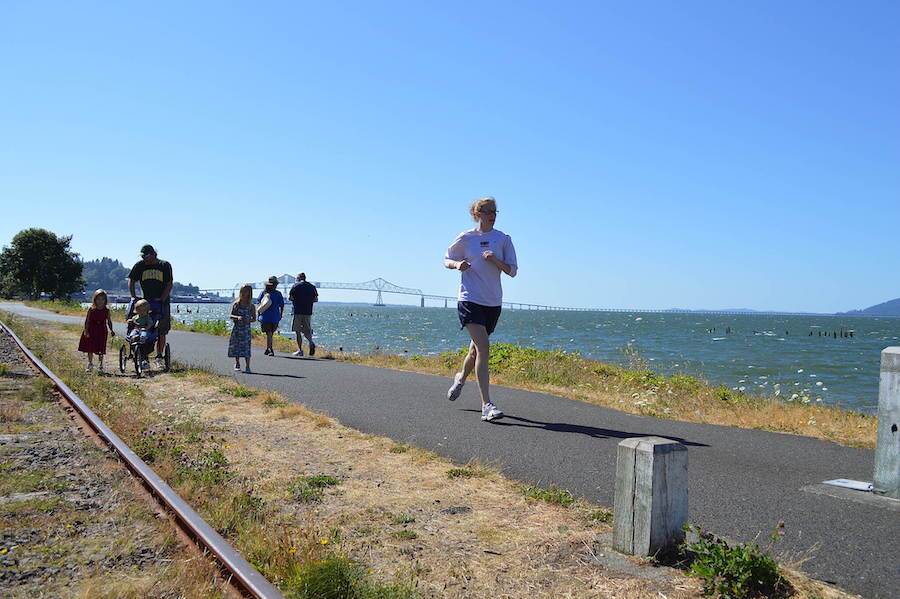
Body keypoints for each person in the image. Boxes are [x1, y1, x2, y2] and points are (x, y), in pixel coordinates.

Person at [443, 197, 518, 421]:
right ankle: (487, 405)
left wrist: (494, 260)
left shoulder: (503, 239)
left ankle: (460, 379)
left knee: (475, 351)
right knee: (484, 348)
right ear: (477, 214)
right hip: (469, 299)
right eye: (487, 211)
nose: (492, 214)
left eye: (494, 211)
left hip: (492, 302)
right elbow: (446, 258)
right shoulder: (466, 238)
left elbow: (512, 271)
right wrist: (458, 265)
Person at [128, 244, 173, 369]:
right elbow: (131, 280)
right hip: (145, 302)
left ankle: (159, 356)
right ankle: (143, 355)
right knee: (144, 328)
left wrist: (162, 298)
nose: (144, 259)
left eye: (146, 256)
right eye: (143, 256)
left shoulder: (164, 265)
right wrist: (133, 296)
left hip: (161, 301)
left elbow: (169, 284)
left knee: (161, 330)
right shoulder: (139, 266)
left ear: (153, 254)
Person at [78, 289, 115, 373]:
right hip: (92, 329)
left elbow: (109, 321)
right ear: (95, 300)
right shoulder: (91, 309)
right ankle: (90, 363)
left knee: (101, 347)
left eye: (102, 299)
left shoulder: (106, 310)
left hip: (102, 330)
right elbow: (87, 320)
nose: (100, 301)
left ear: (105, 300)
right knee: (90, 347)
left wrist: (111, 330)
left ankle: (100, 365)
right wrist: (86, 331)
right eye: (98, 299)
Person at [288, 272, 318, 356]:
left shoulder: (295, 286)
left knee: (297, 331)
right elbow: (316, 299)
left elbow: (290, 298)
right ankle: (311, 342)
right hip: (308, 312)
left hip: (297, 311)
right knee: (307, 331)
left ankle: (300, 350)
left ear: (298, 278)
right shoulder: (312, 287)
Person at [229, 283, 257, 373]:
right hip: (237, 328)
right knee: (236, 346)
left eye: (247, 291)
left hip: (246, 330)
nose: (245, 293)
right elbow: (231, 315)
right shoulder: (237, 304)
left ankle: (248, 366)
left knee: (246, 348)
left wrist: (248, 320)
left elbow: (254, 319)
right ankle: (237, 363)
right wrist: (237, 317)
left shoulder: (251, 306)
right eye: (243, 291)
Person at [257, 276, 285, 356]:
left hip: (266, 317)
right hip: (274, 317)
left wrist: (258, 314)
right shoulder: (278, 294)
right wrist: (280, 315)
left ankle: (269, 349)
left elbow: (259, 304)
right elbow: (282, 305)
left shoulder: (264, 293)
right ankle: (269, 348)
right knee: (270, 333)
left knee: (269, 333)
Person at [127, 299, 157, 370]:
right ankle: (133, 338)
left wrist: (146, 327)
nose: (142, 312)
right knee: (133, 333)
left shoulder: (147, 317)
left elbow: (150, 323)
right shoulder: (135, 317)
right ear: (136, 310)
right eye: (139, 310)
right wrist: (130, 321)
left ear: (147, 311)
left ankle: (142, 339)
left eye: (143, 310)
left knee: (144, 334)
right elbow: (131, 320)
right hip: (136, 329)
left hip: (145, 329)